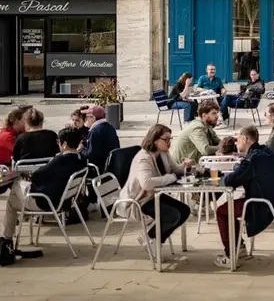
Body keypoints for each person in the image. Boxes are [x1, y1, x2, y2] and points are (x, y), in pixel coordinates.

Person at [214, 125, 274, 269]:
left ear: (245, 139)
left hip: (262, 205)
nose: (236, 143)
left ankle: (231, 255)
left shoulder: (252, 160)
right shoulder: (265, 151)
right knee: (229, 208)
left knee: (222, 211)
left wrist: (234, 167)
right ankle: (238, 248)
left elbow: (231, 181)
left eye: (237, 139)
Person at [1, 127, 88, 242]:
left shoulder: (60, 160)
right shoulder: (81, 160)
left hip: (45, 202)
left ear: (64, 144)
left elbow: (37, 175)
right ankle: (8, 238)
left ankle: (7, 240)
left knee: (16, 183)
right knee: (12, 201)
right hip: (64, 201)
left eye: (58, 142)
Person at [121, 124, 191, 255]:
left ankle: (153, 239)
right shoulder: (144, 158)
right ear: (155, 139)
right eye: (166, 139)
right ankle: (151, 237)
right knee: (173, 216)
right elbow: (146, 183)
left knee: (184, 210)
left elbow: (175, 170)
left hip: (154, 195)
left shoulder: (163, 153)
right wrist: (169, 177)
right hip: (139, 200)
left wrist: (187, 167)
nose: (169, 142)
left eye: (170, 139)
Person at [171, 99, 221, 165]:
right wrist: (223, 147)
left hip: (195, 162)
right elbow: (206, 150)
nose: (217, 116)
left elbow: (217, 141)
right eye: (214, 113)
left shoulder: (207, 125)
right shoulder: (197, 128)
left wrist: (226, 144)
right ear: (204, 115)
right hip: (183, 168)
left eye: (217, 113)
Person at [79, 105, 120, 172]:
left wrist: (81, 149)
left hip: (98, 168)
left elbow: (90, 155)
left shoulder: (94, 131)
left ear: (93, 118)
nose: (86, 120)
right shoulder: (110, 127)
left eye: (87, 117)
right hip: (112, 165)